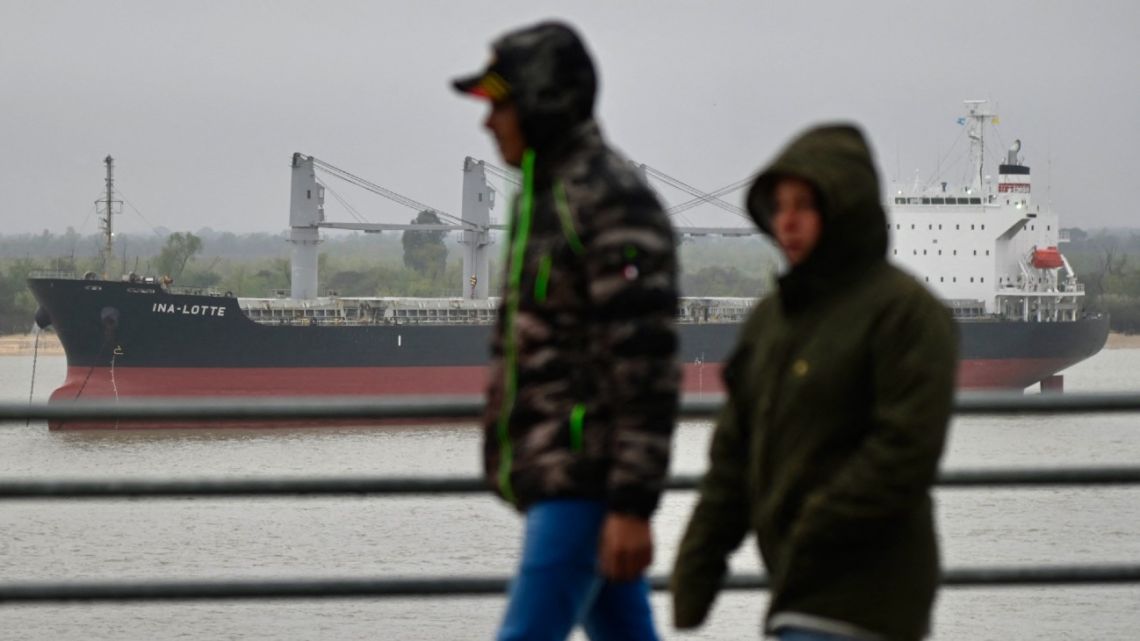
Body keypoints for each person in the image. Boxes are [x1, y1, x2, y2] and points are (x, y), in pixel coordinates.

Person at [671, 124, 958, 641]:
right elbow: (734, 451)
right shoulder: (771, 319)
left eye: (804, 204)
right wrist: (698, 564)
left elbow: (904, 451)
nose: (788, 221)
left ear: (843, 206)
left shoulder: (907, 313)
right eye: (779, 206)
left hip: (872, 597)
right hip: (794, 589)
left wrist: (811, 530)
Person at [452, 21, 680, 641]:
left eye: (499, 103)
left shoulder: (606, 199)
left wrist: (633, 505)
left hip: (583, 480)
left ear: (541, 102)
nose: (487, 121)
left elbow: (645, 362)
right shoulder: (545, 197)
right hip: (559, 471)